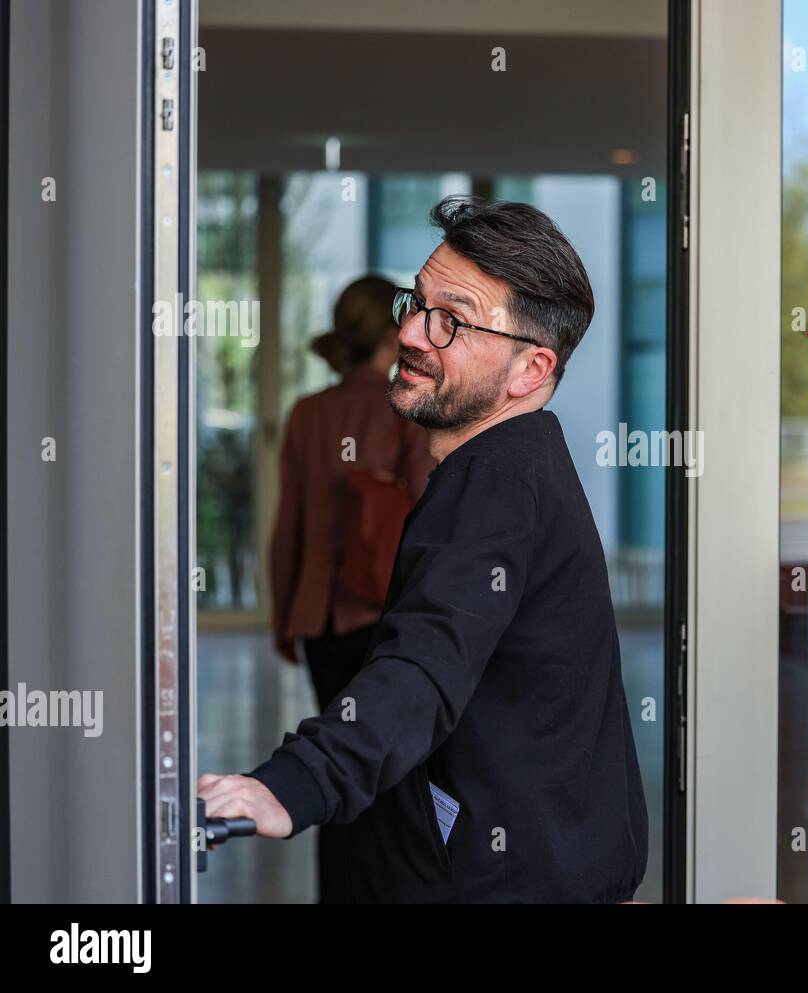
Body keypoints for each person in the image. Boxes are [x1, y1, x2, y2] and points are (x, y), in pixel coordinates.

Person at [200, 196, 649, 903]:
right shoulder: (524, 461)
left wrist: (293, 783)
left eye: (452, 320)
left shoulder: (495, 481)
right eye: (417, 302)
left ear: (529, 370)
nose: (411, 331)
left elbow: (424, 665)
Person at [268, 274, 435, 901]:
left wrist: (287, 618)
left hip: (322, 622)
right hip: (387, 614)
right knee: (391, 766)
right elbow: (429, 510)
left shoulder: (308, 413)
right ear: (391, 331)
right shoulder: (408, 405)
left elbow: (289, 529)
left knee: (332, 761)